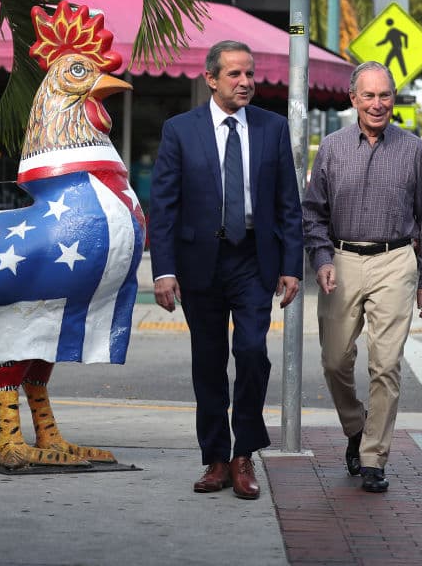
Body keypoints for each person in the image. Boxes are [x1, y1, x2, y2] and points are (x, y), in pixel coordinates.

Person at [149, 40, 303, 500]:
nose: (246, 82)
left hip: (253, 259)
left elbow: (288, 204)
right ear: (211, 78)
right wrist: (164, 270)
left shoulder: (272, 129)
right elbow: (164, 207)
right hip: (200, 262)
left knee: (253, 353)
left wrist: (291, 265)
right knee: (209, 363)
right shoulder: (180, 130)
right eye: (235, 74)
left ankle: (244, 455)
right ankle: (216, 458)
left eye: (250, 74)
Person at [302, 60, 422, 494]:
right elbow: (313, 212)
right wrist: (322, 259)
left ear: (393, 99)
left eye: (385, 95)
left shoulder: (412, 149)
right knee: (334, 360)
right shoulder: (330, 148)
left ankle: (373, 457)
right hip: (342, 260)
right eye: (369, 95)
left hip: (395, 261)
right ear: (353, 99)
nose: (378, 103)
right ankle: (355, 425)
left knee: (386, 366)